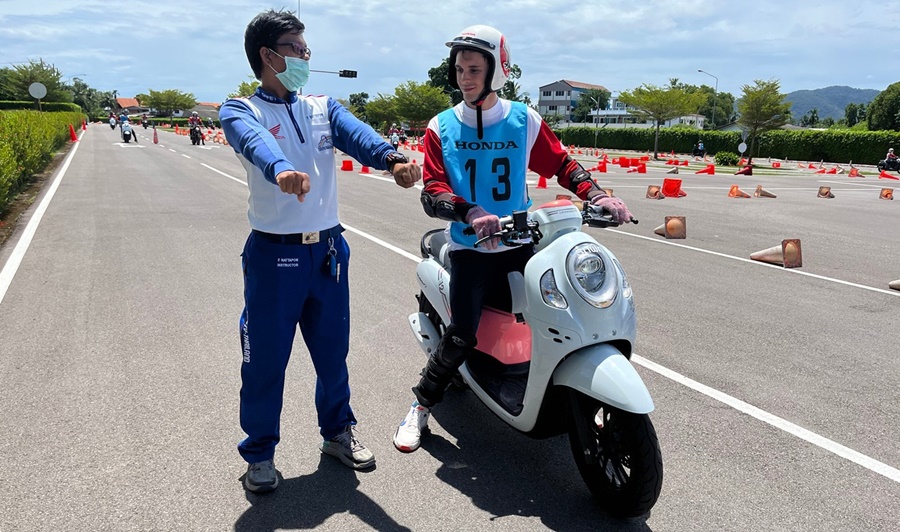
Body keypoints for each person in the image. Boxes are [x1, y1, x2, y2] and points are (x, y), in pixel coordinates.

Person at [392, 24, 633, 453]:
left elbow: (562, 164)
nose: (464, 77)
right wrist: (470, 211)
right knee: (463, 333)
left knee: (561, 310)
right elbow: (432, 192)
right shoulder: (440, 126)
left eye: (474, 69)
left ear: (496, 71)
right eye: (460, 69)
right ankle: (422, 405)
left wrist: (597, 194)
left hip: (522, 244)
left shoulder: (524, 120)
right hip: (470, 248)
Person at [219, 9, 422, 493]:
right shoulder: (241, 110)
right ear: (268, 56)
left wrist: (393, 159)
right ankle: (260, 455)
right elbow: (251, 143)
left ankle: (337, 433)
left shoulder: (322, 106)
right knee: (265, 360)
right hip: (275, 258)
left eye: (306, 47)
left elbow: (361, 137)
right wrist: (280, 169)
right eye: (296, 47)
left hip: (328, 252)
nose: (306, 56)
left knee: (333, 355)